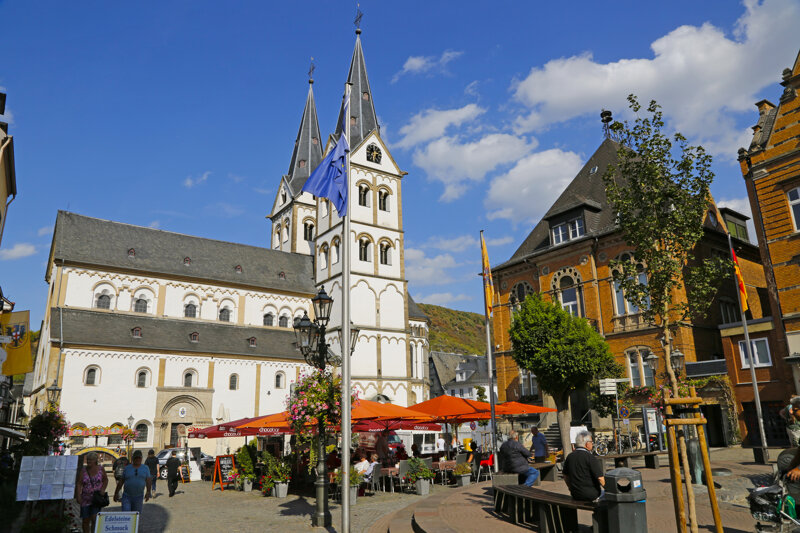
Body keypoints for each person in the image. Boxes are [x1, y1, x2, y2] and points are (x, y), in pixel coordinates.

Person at [563, 430, 605, 501]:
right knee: (610, 497)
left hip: (575, 494)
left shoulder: (570, 456)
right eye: (591, 442)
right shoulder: (590, 457)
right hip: (592, 495)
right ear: (587, 444)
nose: (592, 444)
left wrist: (570, 488)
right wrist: (610, 490)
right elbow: (600, 479)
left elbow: (565, 476)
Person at [76, 451, 108, 533]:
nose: (89, 461)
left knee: (94, 518)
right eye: (88, 459)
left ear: (95, 460)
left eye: (91, 460)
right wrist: (78, 495)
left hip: (96, 498)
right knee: (86, 520)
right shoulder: (83, 470)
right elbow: (79, 483)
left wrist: (103, 489)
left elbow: (105, 480)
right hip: (85, 498)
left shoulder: (101, 469)